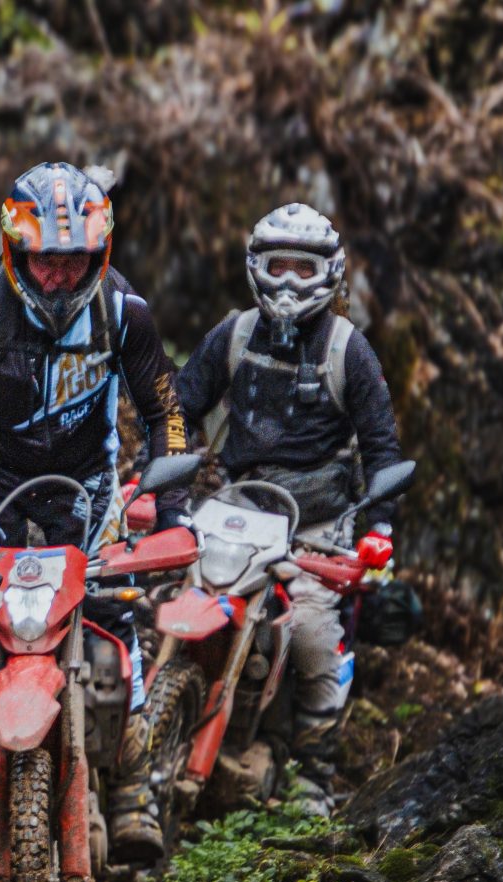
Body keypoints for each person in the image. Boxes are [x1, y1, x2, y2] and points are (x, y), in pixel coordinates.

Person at [0, 161, 193, 868]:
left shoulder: (124, 312)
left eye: (74, 264)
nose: (58, 280)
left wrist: (172, 508)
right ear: (15, 251)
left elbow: (166, 410)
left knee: (115, 617)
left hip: (85, 487)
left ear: (99, 255)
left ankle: (130, 789)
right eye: (45, 262)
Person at [175, 202, 406, 796]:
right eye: (277, 266)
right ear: (256, 266)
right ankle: (152, 746)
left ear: (329, 272)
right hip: (236, 511)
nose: (288, 281)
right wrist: (160, 481)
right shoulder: (234, 334)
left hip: (318, 526)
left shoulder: (348, 350)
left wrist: (379, 530)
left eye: (303, 269)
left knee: (308, 634)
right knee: (170, 607)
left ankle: (314, 782)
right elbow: (177, 409)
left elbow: (383, 450)